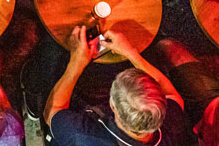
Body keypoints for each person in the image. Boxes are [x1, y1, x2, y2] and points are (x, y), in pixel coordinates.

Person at [44, 27, 186, 146]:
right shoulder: (172, 127)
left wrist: (76, 63)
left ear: (112, 106)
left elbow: (52, 113)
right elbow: (173, 95)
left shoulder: (82, 135)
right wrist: (131, 53)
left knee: (52, 55)